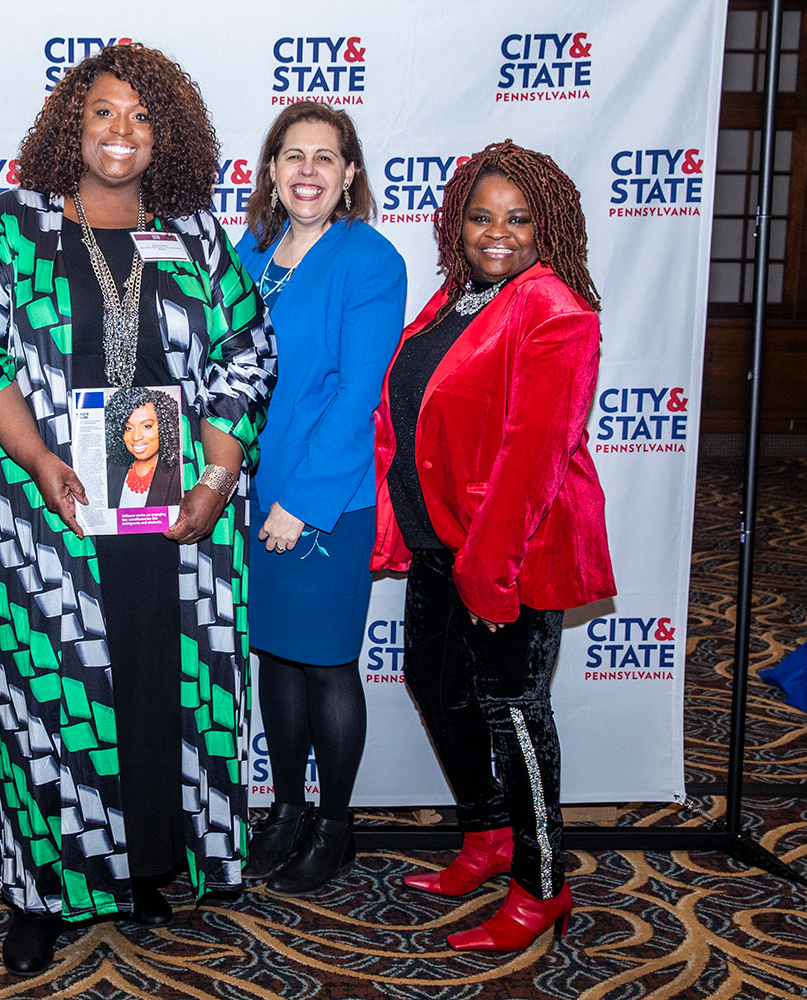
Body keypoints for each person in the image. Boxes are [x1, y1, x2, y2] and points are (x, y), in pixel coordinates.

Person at [0, 43, 275, 975]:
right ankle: (43, 893)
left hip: (179, 524)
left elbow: (247, 355)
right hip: (52, 523)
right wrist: (36, 456)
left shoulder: (197, 236)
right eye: (104, 113)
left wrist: (215, 477)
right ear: (71, 124)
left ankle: (144, 868)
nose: (122, 134)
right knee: (52, 698)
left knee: (166, 685)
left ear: (170, 135)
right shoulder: (16, 225)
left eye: (142, 117)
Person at [371, 140, 615, 951]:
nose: (496, 232)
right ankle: (487, 836)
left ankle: (541, 884)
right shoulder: (459, 299)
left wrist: (491, 573)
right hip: (442, 543)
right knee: (434, 685)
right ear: (456, 224)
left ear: (549, 228)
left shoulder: (556, 311)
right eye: (480, 216)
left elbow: (532, 459)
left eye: (517, 218)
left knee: (513, 713)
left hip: (511, 554)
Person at [233, 103, 407, 894]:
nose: (307, 170)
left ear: (349, 176)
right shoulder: (251, 254)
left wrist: (299, 502)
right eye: (292, 155)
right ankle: (287, 811)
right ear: (270, 171)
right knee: (276, 656)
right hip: (247, 491)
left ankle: (336, 825)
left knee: (330, 666)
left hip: (325, 500)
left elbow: (356, 395)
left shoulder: (370, 260)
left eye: (325, 158)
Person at [104, 386, 183, 508]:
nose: (136, 437)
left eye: (146, 426)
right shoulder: (110, 468)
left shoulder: (179, 473)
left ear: (164, 426)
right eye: (128, 428)